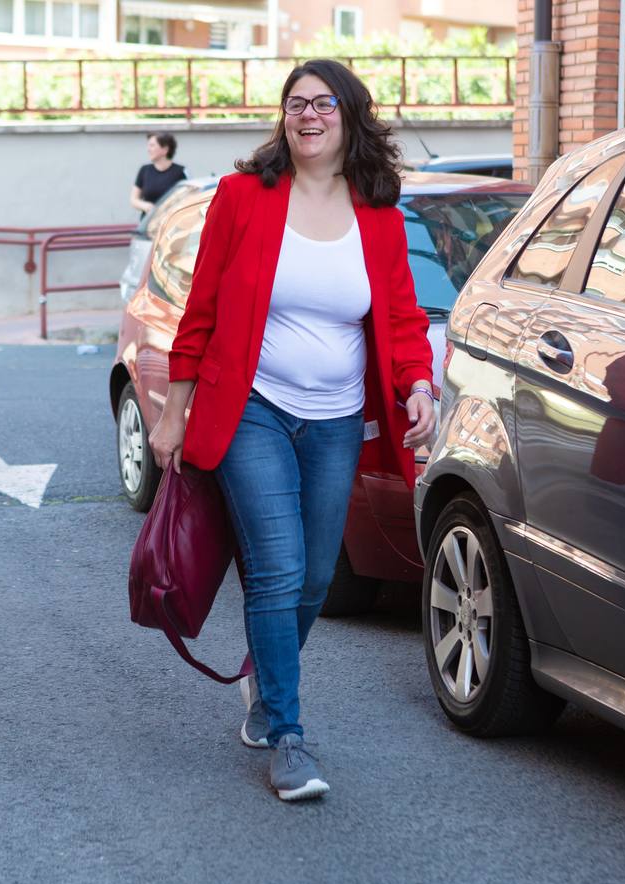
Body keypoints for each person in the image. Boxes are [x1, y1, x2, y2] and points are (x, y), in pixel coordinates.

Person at [148, 59, 436, 802]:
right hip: (252, 408)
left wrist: (418, 386)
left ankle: (259, 675)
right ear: (284, 119)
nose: (307, 115)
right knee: (276, 568)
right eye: (295, 103)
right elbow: (202, 311)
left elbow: (400, 318)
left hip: (338, 418)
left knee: (313, 576)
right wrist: (173, 414)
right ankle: (286, 735)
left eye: (322, 104)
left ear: (349, 117)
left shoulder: (377, 209)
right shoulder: (244, 198)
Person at [129, 132, 186, 216]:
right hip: (148, 225)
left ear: (165, 149)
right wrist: (145, 206)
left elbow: (188, 199)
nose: (148, 149)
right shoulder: (144, 170)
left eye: (152, 145)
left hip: (171, 224)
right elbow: (133, 200)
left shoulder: (181, 171)